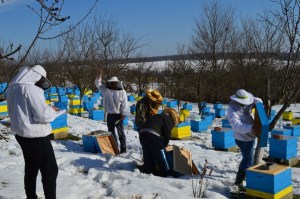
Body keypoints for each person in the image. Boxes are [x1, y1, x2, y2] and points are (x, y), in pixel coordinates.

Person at [7, 65, 65, 199]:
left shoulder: (12, 88)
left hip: (21, 135)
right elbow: (42, 115)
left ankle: (31, 196)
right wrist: (53, 111)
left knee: (31, 168)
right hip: (36, 137)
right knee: (50, 170)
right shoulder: (30, 88)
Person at [227, 89, 262, 191]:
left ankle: (243, 175)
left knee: (247, 159)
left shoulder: (248, 101)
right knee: (248, 160)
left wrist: (259, 103)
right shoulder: (232, 109)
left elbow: (257, 100)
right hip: (242, 138)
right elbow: (236, 125)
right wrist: (252, 128)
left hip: (250, 136)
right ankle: (239, 181)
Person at [139, 107, 179, 177]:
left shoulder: (157, 116)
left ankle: (148, 170)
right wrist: (166, 143)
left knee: (148, 154)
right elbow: (167, 133)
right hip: (153, 135)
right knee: (162, 156)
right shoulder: (168, 119)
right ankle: (166, 173)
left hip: (142, 134)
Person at [94, 72, 129, 153]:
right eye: (111, 83)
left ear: (117, 83)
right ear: (109, 83)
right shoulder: (106, 90)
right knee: (111, 133)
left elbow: (125, 103)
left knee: (121, 133)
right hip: (110, 115)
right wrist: (99, 76)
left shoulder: (122, 91)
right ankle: (115, 148)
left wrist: (123, 114)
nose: (113, 85)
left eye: (114, 83)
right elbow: (98, 84)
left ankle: (123, 149)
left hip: (119, 115)